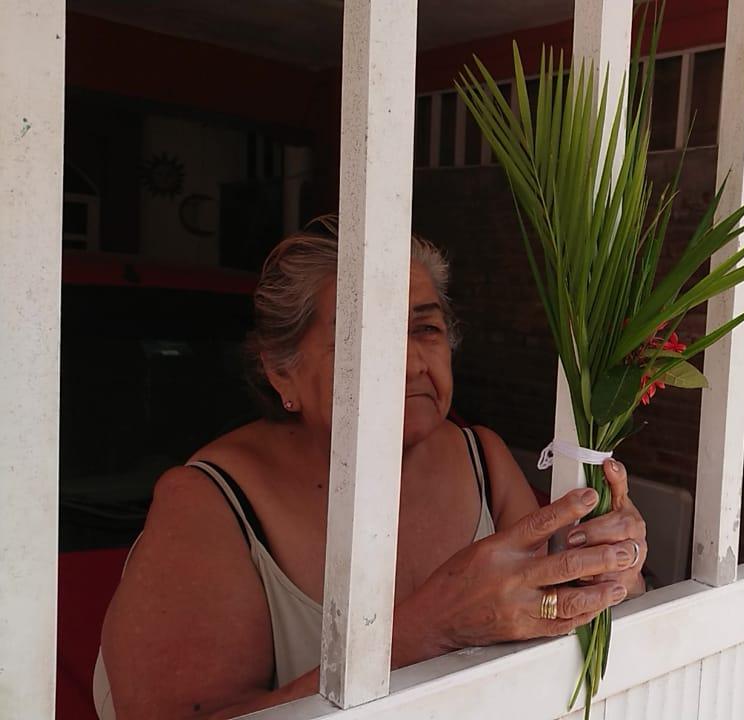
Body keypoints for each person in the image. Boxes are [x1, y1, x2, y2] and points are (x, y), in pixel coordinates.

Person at [94, 216, 648, 719]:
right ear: (282, 372)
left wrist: (612, 575)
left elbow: (554, 628)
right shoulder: (210, 503)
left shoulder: (484, 457)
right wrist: (427, 630)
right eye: (363, 334)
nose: (410, 362)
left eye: (425, 329)